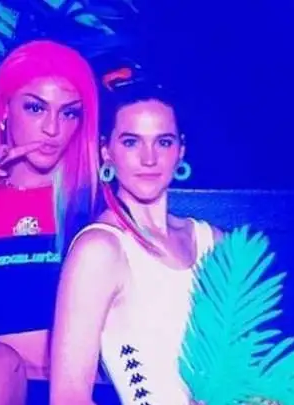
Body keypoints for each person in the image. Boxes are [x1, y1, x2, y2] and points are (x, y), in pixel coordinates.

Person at [0, 40, 120, 405]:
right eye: (35, 108)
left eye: (69, 113)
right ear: (4, 109)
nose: (52, 128)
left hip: (86, 390)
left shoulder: (98, 205)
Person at [49, 74, 224, 405]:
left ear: (181, 150)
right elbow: (68, 397)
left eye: (163, 142)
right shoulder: (99, 250)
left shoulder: (213, 242)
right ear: (107, 151)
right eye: (131, 142)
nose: (149, 159)